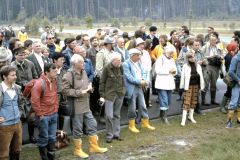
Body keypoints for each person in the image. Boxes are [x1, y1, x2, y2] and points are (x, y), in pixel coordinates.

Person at [62, 54, 107, 159]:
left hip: (86, 104)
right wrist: (80, 92)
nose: (84, 64)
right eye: (81, 62)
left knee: (92, 124)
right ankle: (77, 150)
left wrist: (90, 88)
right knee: (78, 128)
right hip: (76, 106)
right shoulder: (68, 75)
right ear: (75, 63)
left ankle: (94, 147)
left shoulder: (84, 72)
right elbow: (64, 90)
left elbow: (86, 85)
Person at [123, 48, 155, 133]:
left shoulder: (138, 63)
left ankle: (145, 123)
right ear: (132, 55)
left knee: (143, 105)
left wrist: (144, 80)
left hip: (139, 87)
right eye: (137, 55)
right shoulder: (125, 64)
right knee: (132, 107)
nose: (139, 57)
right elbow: (129, 77)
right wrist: (140, 81)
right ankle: (131, 125)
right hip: (132, 88)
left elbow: (143, 72)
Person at [31, 63, 59, 160]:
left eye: (56, 71)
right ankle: (44, 158)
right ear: (46, 72)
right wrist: (40, 114)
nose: (57, 73)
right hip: (43, 116)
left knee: (52, 137)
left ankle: (51, 156)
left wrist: (56, 108)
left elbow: (55, 95)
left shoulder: (54, 80)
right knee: (44, 137)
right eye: (54, 71)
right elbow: (34, 101)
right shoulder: (39, 83)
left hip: (53, 113)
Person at [11, 47, 38, 143]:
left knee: (31, 118)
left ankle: (31, 137)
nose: (22, 56)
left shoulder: (30, 64)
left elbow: (36, 76)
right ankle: (19, 139)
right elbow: (11, 82)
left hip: (30, 94)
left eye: (23, 54)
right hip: (19, 94)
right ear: (15, 55)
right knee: (21, 117)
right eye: (20, 55)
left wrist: (32, 84)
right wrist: (22, 84)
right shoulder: (12, 66)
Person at [0, 65, 25, 160]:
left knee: (17, 150)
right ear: (4, 77)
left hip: (17, 124)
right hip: (4, 126)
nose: (15, 77)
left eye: (15, 74)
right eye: (12, 75)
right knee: (3, 154)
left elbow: (22, 102)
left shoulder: (17, 88)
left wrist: (20, 113)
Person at [99, 54, 125, 143]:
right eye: (118, 61)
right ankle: (109, 135)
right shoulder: (107, 68)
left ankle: (116, 134)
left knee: (117, 115)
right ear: (113, 61)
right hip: (109, 95)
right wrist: (102, 95)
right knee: (109, 116)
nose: (120, 62)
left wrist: (124, 90)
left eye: (120, 61)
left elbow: (123, 79)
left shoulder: (120, 67)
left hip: (120, 94)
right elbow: (102, 82)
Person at [180, 51, 205, 126]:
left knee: (194, 101)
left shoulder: (198, 66)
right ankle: (183, 119)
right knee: (187, 102)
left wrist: (201, 86)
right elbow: (182, 77)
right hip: (188, 86)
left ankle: (191, 116)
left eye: (193, 56)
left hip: (196, 85)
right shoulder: (185, 66)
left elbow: (201, 76)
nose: (192, 58)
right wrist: (181, 87)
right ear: (188, 58)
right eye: (190, 57)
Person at [155, 45, 177, 124]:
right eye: (170, 53)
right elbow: (157, 70)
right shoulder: (160, 59)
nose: (171, 55)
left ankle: (161, 114)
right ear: (166, 52)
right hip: (162, 83)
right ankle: (164, 117)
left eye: (172, 53)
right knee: (164, 99)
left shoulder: (171, 60)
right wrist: (168, 71)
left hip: (169, 83)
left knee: (168, 100)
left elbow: (175, 69)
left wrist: (174, 72)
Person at [201, 35, 224, 106]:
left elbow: (223, 55)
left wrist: (220, 56)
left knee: (214, 84)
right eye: (212, 40)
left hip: (216, 67)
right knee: (206, 83)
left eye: (214, 40)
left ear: (216, 40)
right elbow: (201, 56)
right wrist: (210, 57)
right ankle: (203, 101)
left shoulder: (219, 47)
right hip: (208, 66)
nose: (213, 41)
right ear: (209, 40)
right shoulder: (205, 47)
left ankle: (213, 100)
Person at [220, 43, 238, 114]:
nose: (237, 49)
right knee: (229, 91)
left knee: (232, 91)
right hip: (230, 77)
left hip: (233, 76)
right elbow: (230, 68)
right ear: (232, 49)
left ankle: (230, 106)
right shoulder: (229, 57)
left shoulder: (232, 55)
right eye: (236, 48)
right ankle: (222, 106)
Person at [51, 52, 67, 130]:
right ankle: (52, 135)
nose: (63, 61)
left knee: (61, 116)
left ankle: (60, 134)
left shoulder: (65, 70)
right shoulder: (49, 70)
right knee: (53, 117)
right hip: (52, 97)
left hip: (63, 97)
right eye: (61, 60)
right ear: (55, 60)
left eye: (63, 60)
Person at [226, 49, 240, 128]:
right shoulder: (236, 58)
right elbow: (230, 71)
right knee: (233, 103)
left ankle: (239, 119)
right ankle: (229, 123)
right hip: (236, 84)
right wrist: (238, 80)